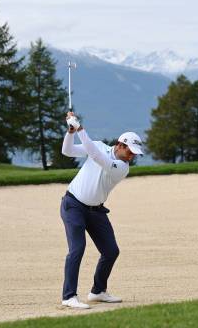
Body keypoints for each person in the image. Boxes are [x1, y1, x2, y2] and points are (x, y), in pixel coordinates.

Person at [59, 111, 144, 309]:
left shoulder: (122, 167)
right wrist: (71, 132)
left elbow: (97, 157)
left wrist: (80, 128)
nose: (131, 156)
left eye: (134, 154)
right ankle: (68, 296)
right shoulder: (97, 145)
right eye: (129, 151)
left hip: (96, 211)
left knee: (111, 251)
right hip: (73, 205)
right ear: (120, 144)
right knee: (77, 248)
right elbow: (67, 151)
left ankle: (97, 291)